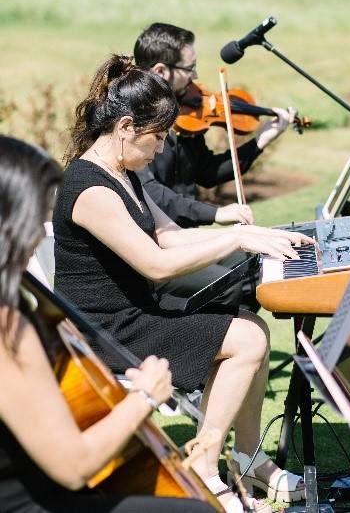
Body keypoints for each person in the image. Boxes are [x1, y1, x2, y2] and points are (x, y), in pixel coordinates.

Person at [53, 55, 310, 511]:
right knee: (247, 338)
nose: (160, 150)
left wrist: (250, 237)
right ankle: (205, 470)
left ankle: (247, 457)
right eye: (157, 138)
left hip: (132, 313)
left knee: (252, 327)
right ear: (126, 126)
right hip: (105, 329)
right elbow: (154, 264)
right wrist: (235, 235)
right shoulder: (89, 188)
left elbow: (169, 235)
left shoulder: (122, 173)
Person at [0, 135, 215, 513]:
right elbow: (74, 466)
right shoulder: (7, 328)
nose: (37, 234)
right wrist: (144, 397)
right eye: (34, 219)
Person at [133, 22, 296, 312]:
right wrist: (216, 213)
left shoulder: (188, 117)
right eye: (189, 69)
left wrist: (263, 138)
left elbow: (208, 173)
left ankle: (239, 345)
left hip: (189, 237)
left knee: (255, 264)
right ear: (160, 72)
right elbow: (152, 192)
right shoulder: (137, 124)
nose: (196, 77)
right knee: (228, 282)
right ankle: (218, 346)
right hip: (157, 246)